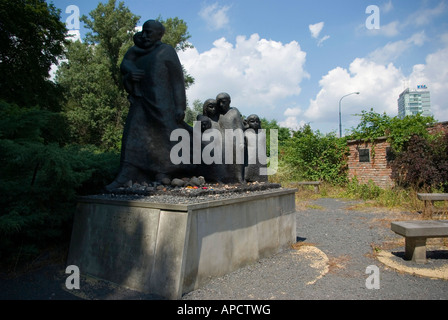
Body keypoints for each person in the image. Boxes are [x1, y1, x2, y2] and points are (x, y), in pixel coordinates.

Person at [106, 20, 191, 191]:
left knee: (166, 137)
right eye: (143, 32)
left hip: (162, 105)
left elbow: (177, 80)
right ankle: (127, 172)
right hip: (140, 102)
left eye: (149, 33)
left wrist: (180, 106)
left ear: (159, 34)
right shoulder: (137, 53)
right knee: (132, 134)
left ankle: (164, 172)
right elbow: (125, 69)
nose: (144, 36)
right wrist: (130, 77)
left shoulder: (166, 51)